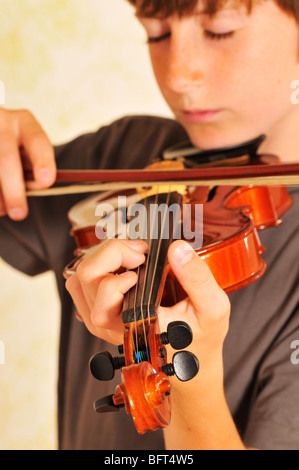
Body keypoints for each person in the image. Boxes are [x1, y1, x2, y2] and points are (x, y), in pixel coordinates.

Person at [0, 0, 299, 450]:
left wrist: (192, 385)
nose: (178, 74)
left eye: (219, 31)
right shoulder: (124, 154)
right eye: (157, 33)